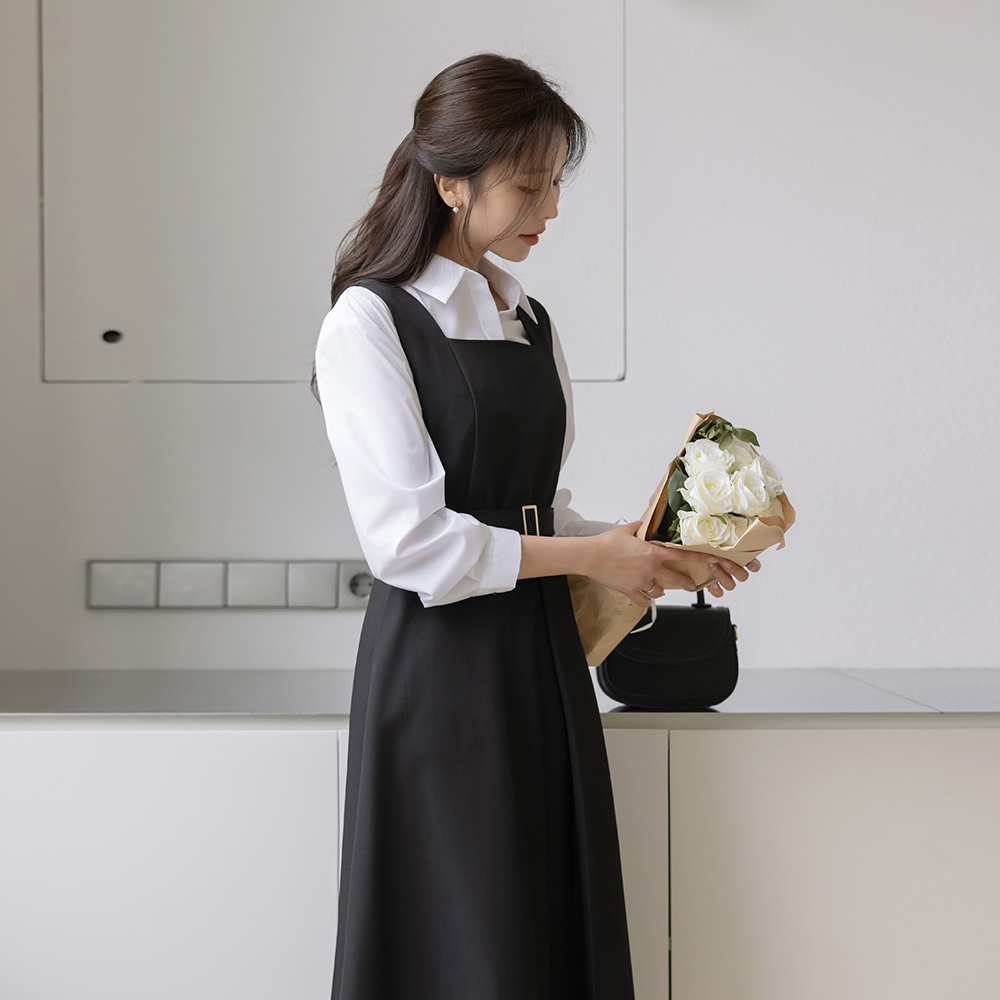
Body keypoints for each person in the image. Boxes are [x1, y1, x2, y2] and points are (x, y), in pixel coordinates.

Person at [312, 52, 760, 1000]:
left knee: (545, 928)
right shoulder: (370, 322)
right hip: (439, 672)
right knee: (469, 937)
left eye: (557, 183)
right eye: (529, 184)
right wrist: (595, 555)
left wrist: (651, 553)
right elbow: (411, 545)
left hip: (541, 656)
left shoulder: (529, 319)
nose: (550, 208)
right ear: (450, 183)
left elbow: (539, 508)